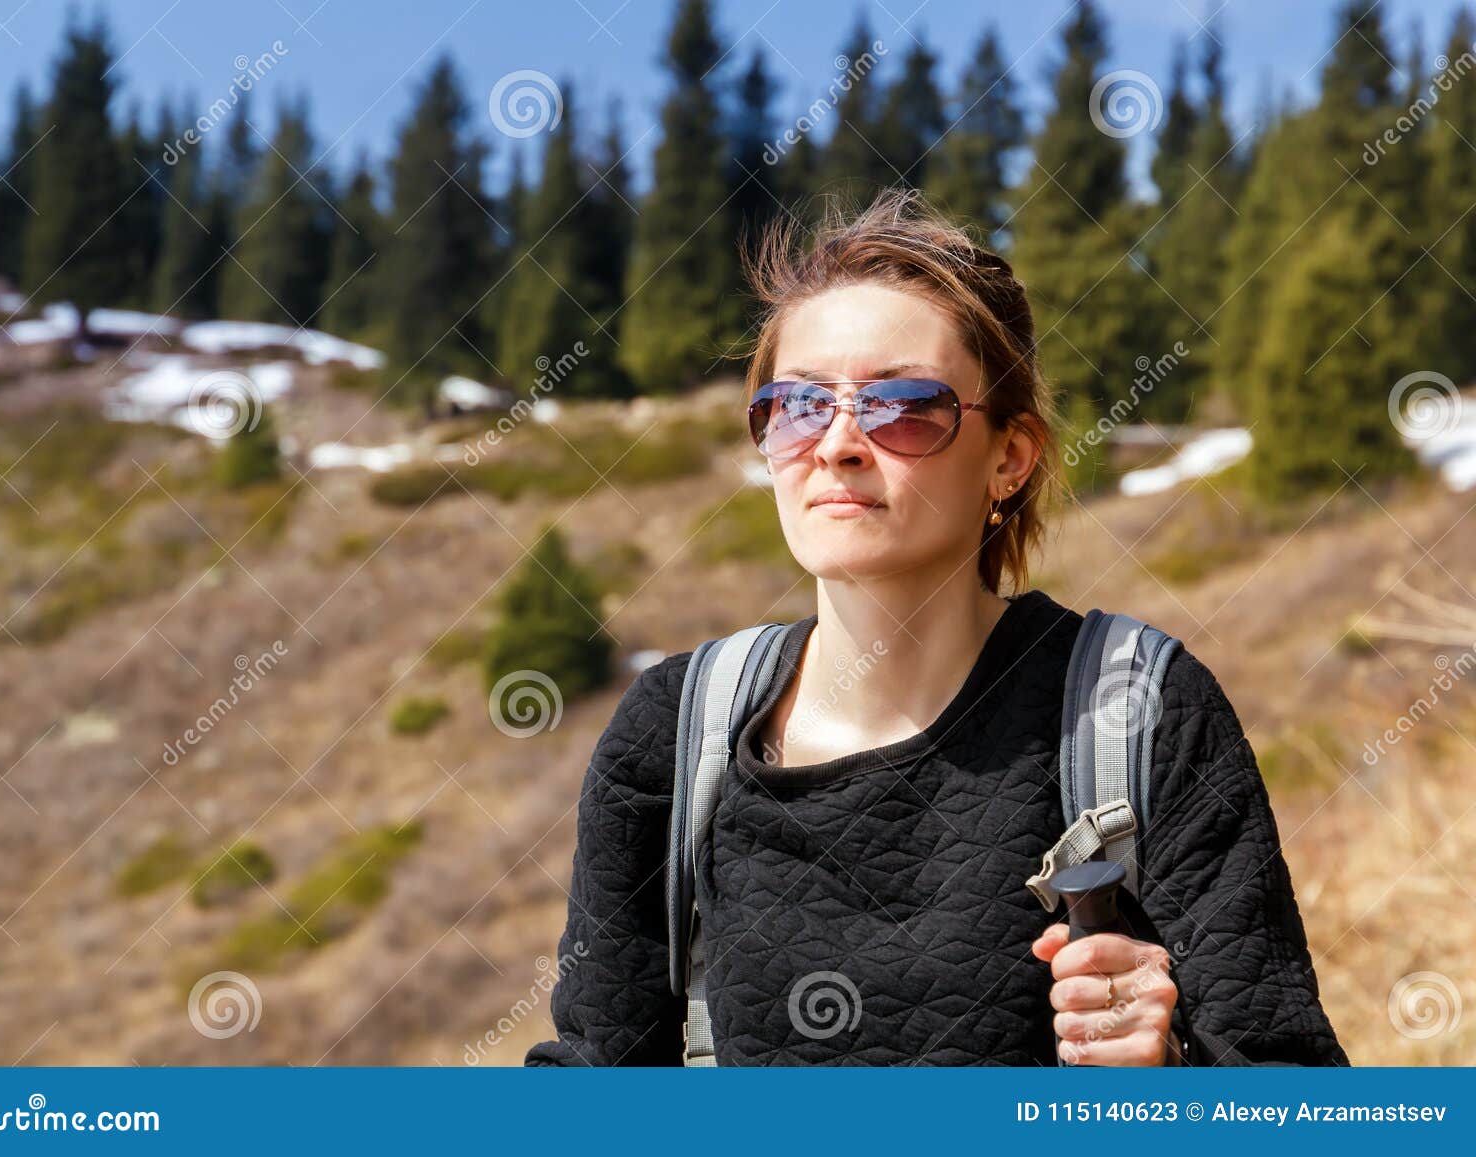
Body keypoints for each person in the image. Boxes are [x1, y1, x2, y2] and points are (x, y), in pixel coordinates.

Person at [524, 188, 1348, 1067]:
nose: (838, 443)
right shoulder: (675, 735)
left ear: (1009, 458)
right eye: (799, 406)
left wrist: (1166, 1086)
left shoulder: (1138, 711)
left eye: (904, 406)